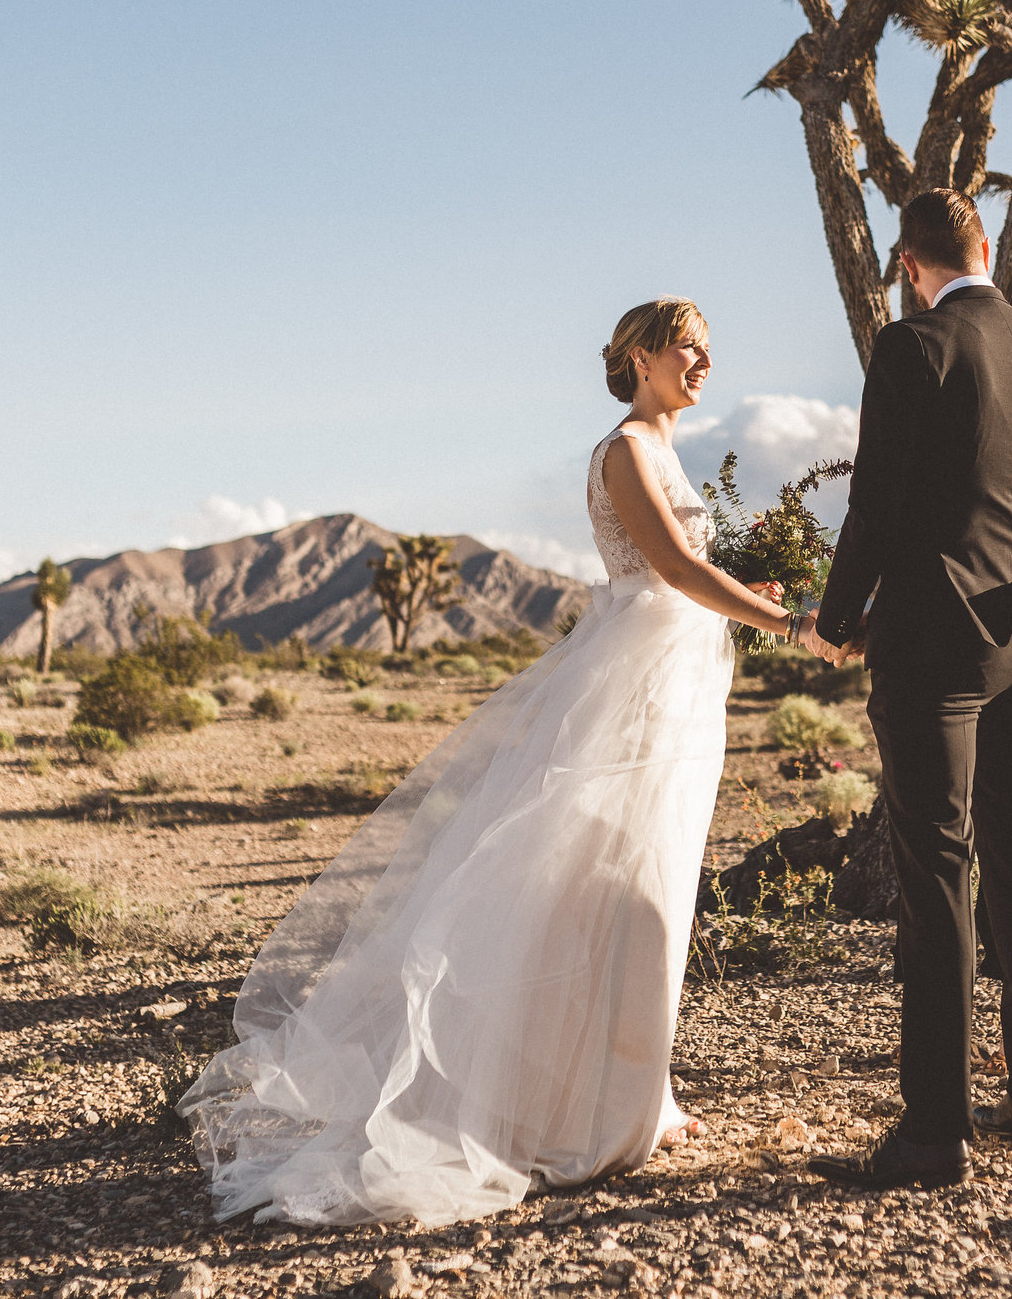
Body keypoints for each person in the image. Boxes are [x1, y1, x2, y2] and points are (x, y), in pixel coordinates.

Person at [179, 296, 806, 1227]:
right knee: (609, 881)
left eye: (710, 346)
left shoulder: (664, 451)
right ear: (638, 356)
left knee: (653, 888)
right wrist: (786, 620)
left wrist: (742, 597)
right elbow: (670, 569)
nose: (702, 359)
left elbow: (679, 573)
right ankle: (579, 1104)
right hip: (632, 689)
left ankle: (639, 1091)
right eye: (686, 345)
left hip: (673, 685)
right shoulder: (628, 448)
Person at [805, 188, 1012, 1191]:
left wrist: (835, 619)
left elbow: (874, 502)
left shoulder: (909, 345)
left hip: (934, 636)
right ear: (980, 246)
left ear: (908, 264)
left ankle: (932, 1133)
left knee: (936, 875)